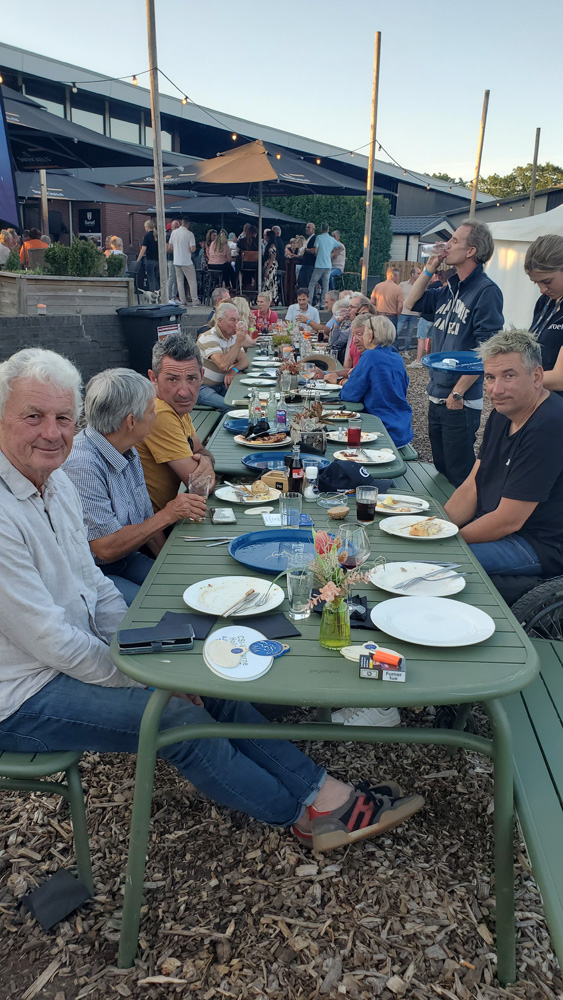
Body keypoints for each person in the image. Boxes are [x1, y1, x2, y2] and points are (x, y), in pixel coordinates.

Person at [0, 347, 424, 852]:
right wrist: (144, 676)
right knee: (179, 721)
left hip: (71, 653)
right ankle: (300, 816)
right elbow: (49, 640)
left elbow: (93, 583)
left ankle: (322, 792)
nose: (52, 432)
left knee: (207, 670)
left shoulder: (54, 485)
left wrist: (149, 654)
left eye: (63, 418)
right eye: (33, 416)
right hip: (22, 695)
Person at [64, 369, 206, 604]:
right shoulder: (82, 465)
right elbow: (105, 549)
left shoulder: (126, 447)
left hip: (126, 557)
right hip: (93, 573)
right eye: (151, 411)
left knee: (188, 588)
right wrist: (169, 514)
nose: (155, 416)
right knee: (159, 606)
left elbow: (145, 518)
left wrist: (169, 568)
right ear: (131, 421)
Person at [444, 331, 563, 578]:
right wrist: (436, 528)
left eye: (509, 376)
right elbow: (473, 485)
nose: (496, 390)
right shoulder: (504, 413)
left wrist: (446, 542)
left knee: (438, 566)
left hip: (537, 543)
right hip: (498, 526)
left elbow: (509, 520)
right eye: (490, 377)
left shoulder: (549, 425)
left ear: (537, 376)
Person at [405, 220, 504, 487]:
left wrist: (458, 393)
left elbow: (488, 349)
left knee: (459, 473)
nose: (447, 246)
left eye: (455, 241)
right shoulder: (448, 288)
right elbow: (410, 302)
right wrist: (430, 268)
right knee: (441, 466)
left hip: (460, 398)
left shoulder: (486, 291)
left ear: (471, 251)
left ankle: (467, 514)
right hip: (437, 392)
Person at [136, 335, 216, 512]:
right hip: (154, 524)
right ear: (153, 378)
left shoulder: (175, 406)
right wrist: (208, 464)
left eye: (191, 379)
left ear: (202, 376)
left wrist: (206, 461)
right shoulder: (159, 412)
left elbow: (199, 450)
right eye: (172, 379)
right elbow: (201, 486)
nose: (184, 392)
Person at [340, 316, 413, 448]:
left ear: (370, 336)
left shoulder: (370, 356)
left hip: (381, 429)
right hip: (402, 429)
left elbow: (349, 394)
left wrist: (342, 382)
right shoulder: (397, 357)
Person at [524, 234, 563, 391]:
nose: (542, 290)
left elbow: (560, 378)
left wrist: (516, 380)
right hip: (540, 395)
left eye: (547, 282)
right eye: (536, 283)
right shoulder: (545, 301)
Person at [196, 302, 251, 412]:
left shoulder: (232, 336)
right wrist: (238, 342)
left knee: (246, 400)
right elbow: (223, 365)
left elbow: (245, 361)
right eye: (232, 320)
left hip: (221, 385)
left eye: (238, 320)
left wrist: (233, 370)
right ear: (220, 321)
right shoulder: (209, 337)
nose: (237, 324)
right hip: (202, 387)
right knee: (231, 407)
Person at [408, 271, 443, 368]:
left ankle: (418, 360)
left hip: (426, 317)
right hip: (435, 318)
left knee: (421, 339)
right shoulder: (443, 288)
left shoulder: (431, 288)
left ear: (435, 275)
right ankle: (429, 357)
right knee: (431, 339)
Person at [323, 315, 369, 384]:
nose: (355, 340)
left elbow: (360, 385)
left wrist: (339, 381)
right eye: (353, 335)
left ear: (371, 335)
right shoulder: (358, 346)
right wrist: (325, 374)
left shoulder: (373, 355)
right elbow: (348, 370)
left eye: (359, 334)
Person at [308, 224, 344, 306]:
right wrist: (333, 254)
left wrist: (317, 254)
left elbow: (315, 250)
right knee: (325, 285)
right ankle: (323, 303)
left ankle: (309, 302)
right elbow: (341, 247)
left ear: (321, 229)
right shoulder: (332, 239)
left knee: (312, 283)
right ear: (328, 230)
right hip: (328, 265)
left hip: (319, 264)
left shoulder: (319, 238)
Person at [168, 218, 200, 307]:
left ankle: (182, 301)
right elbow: (192, 249)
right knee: (192, 281)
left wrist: (177, 250)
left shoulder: (174, 233)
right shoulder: (189, 234)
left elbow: (170, 247)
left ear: (181, 223)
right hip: (186, 261)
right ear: (188, 224)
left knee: (180, 282)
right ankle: (195, 301)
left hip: (176, 260)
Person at [397, 267, 422, 351]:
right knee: (397, 331)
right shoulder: (402, 284)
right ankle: (394, 349)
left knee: (409, 334)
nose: (420, 275)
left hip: (414, 313)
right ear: (412, 274)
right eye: (418, 273)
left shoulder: (420, 286)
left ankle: (405, 351)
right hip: (403, 312)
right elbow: (397, 295)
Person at [137, 219, 159, 292]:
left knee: (151, 279)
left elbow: (143, 249)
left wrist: (138, 259)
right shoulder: (157, 235)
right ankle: (159, 293)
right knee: (156, 278)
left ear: (147, 227)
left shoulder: (147, 236)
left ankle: (153, 294)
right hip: (158, 260)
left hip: (150, 260)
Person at [297, 222, 317, 291]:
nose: (306, 229)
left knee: (308, 282)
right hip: (305, 263)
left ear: (313, 229)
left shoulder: (314, 238)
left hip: (310, 264)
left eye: (308, 227)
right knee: (301, 281)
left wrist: (305, 249)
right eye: (306, 227)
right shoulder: (309, 239)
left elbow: (313, 250)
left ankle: (310, 296)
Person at [262, 230, 279, 301]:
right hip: (269, 265)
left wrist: (267, 270)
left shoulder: (272, 246)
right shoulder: (270, 245)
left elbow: (272, 258)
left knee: (269, 282)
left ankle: (271, 298)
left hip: (271, 266)